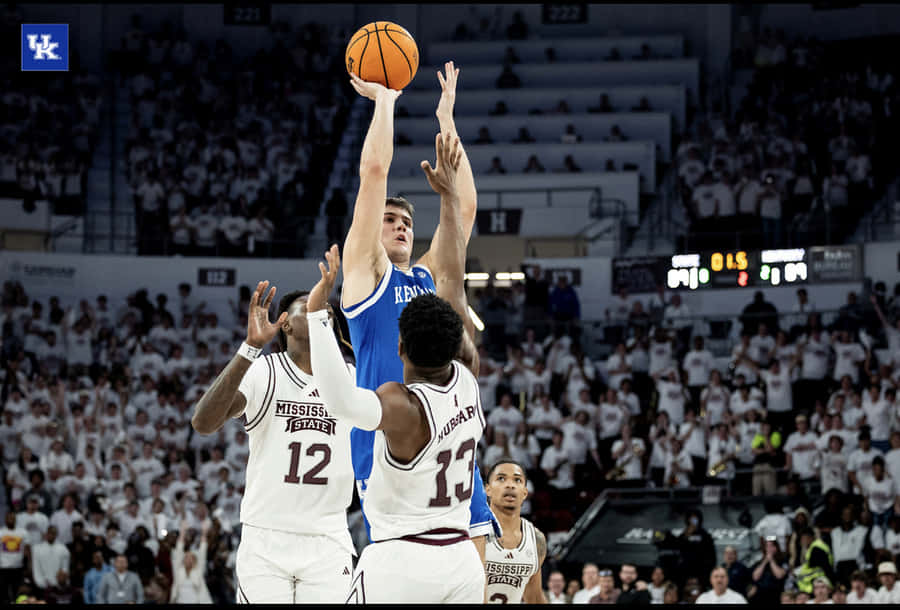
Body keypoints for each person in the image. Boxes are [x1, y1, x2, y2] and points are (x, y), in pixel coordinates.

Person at [340, 62, 497, 556]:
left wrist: (446, 122)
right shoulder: (365, 274)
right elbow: (373, 173)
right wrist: (385, 103)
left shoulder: (428, 277)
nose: (401, 226)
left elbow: (463, 209)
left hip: (447, 438)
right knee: (406, 574)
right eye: (389, 219)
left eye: (406, 221)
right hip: (389, 443)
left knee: (476, 574)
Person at [309, 236, 486, 602]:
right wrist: (450, 206)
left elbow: (340, 401)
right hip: (462, 559)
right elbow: (454, 288)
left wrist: (316, 316)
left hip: (403, 561)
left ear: (400, 347)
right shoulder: (468, 381)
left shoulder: (402, 406)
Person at [190, 278, 356, 602]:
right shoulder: (264, 370)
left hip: (328, 537)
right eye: (308, 306)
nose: (320, 310)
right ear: (285, 325)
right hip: (266, 536)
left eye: (325, 308)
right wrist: (249, 348)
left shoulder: (350, 377)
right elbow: (203, 423)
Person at [483, 460, 547, 604]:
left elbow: (535, 598)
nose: (510, 485)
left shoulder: (536, 539)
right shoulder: (474, 531)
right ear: (488, 489)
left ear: (525, 493)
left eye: (517, 480)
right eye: (501, 478)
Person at [170, 520, 213, 603]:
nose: (188, 560)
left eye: (191, 558)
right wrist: (182, 532)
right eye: (186, 557)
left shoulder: (198, 571)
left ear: (194, 561)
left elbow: (203, 551)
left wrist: (204, 532)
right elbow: (179, 551)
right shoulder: (178, 570)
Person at [0, 511, 27, 604]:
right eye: (9, 518)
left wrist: (27, 566)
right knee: (3, 594)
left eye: (13, 518)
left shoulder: (22, 532)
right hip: (3, 568)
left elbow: (27, 550)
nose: (11, 520)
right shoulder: (1, 532)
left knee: (18, 594)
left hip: (18, 568)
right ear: (5, 519)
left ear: (15, 519)